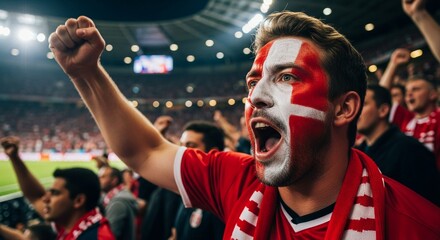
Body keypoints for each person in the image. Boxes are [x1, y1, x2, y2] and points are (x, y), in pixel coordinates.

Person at [49, 11, 440, 239]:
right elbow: (144, 150)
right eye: (253, 82)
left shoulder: (417, 226)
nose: (256, 98)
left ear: (343, 109)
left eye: (287, 77)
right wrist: (87, 74)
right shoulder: (236, 179)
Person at [0, 136, 115, 240]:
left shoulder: (98, 237)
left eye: (55, 193)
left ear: (78, 200)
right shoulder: (71, 225)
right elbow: (36, 196)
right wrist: (15, 158)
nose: (45, 199)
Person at [356, 85, 440, 205]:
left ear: (383, 110)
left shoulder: (410, 150)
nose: (355, 110)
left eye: (363, 104)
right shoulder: (358, 154)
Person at [169, 121, 225, 240]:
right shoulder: (188, 189)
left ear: (213, 153)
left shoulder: (222, 199)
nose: (182, 151)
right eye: (181, 145)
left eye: (190, 145)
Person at [98, 166, 138, 240]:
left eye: (103, 177)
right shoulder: (114, 196)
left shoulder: (117, 203)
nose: (99, 179)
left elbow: (109, 235)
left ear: (114, 180)